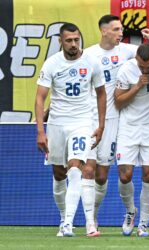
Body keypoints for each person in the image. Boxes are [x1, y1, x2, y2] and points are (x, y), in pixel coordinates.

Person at [35, 23, 106, 237]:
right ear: (61, 41)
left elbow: (101, 94)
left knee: (76, 168)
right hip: (57, 123)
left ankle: (68, 224)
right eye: (69, 40)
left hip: (82, 122)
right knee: (59, 174)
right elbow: (40, 98)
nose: (74, 44)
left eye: (77, 40)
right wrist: (40, 131)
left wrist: (101, 125)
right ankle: (64, 216)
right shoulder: (52, 64)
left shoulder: (92, 62)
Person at [83, 14, 138, 235]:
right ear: (103, 31)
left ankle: (130, 211)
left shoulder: (126, 51)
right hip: (91, 119)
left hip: (118, 119)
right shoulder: (88, 54)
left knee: (117, 174)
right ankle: (92, 218)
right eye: (116, 29)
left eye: (121, 29)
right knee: (94, 172)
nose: (120, 33)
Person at [114, 44, 149, 237]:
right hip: (129, 127)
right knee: (125, 175)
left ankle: (143, 224)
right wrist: (137, 86)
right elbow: (118, 102)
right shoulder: (126, 69)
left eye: (148, 66)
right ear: (136, 58)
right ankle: (130, 211)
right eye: (142, 66)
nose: (145, 70)